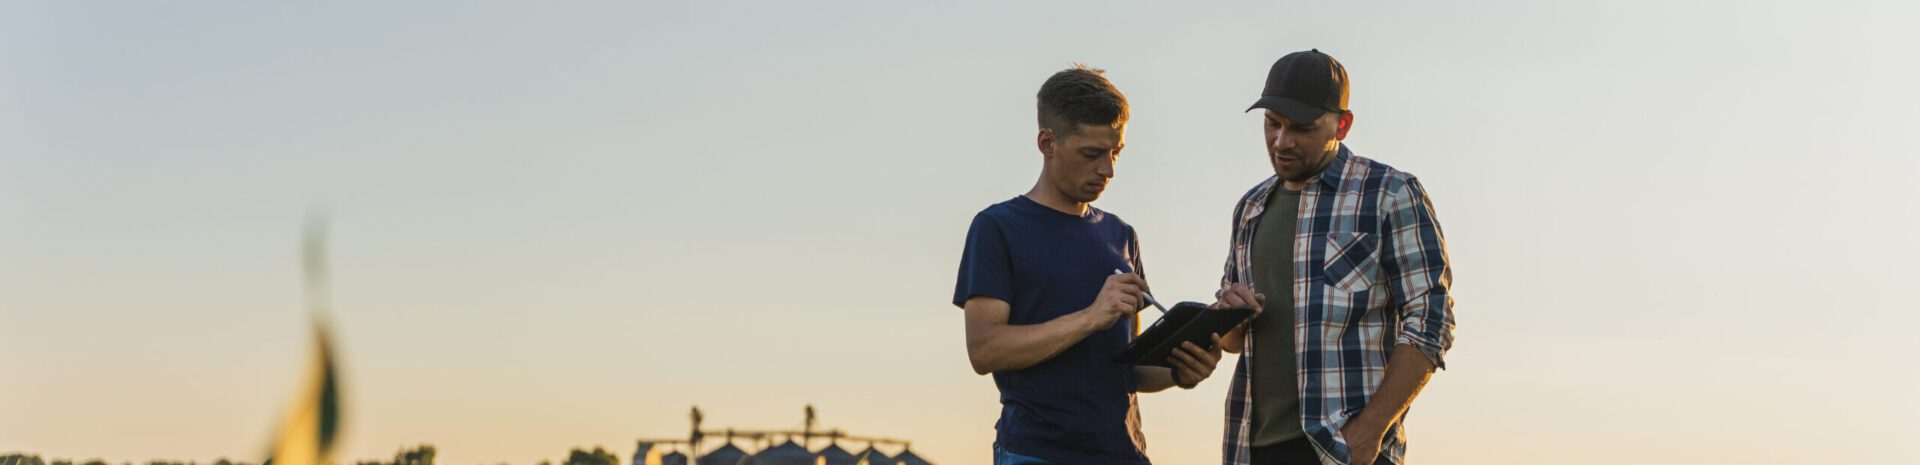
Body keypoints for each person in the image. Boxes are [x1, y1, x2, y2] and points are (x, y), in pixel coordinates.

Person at [952, 64, 1225, 465]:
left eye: (1116, 152)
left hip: (1125, 453)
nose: (1108, 169)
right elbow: (985, 350)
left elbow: (1126, 370)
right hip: (1037, 453)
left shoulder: (1121, 235)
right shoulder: (997, 228)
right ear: (1048, 142)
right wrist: (1091, 316)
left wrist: (1181, 373)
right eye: (1092, 154)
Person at [1212, 50, 1457, 465]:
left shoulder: (1390, 194)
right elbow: (1235, 341)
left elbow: (1431, 322)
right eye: (1272, 124)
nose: (1281, 141)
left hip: (1345, 449)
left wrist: (1370, 430)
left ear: (1342, 124)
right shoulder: (1251, 207)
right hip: (1252, 448)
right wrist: (1227, 315)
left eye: (1301, 128)